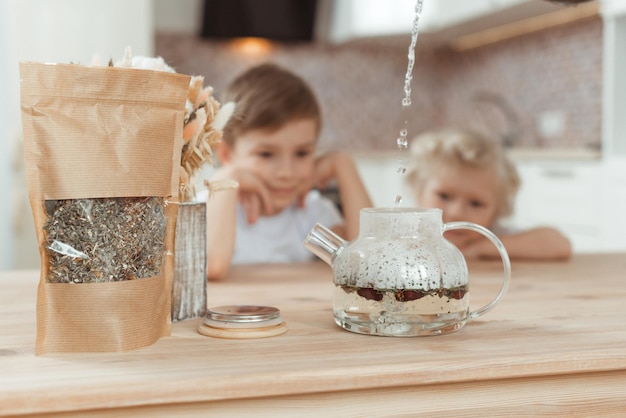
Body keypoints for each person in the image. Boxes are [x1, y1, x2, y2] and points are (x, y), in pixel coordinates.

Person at [201, 62, 373, 280]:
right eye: (266, 154)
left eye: (302, 153)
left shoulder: (312, 213)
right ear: (226, 154)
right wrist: (227, 178)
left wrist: (343, 165)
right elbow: (211, 267)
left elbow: (368, 264)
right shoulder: (210, 205)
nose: (286, 172)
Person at [406, 129, 572, 261]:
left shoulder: (492, 236)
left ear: (497, 211)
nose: (457, 213)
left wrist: (479, 249)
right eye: (444, 195)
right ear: (419, 191)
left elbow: (559, 244)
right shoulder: (405, 234)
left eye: (476, 203)